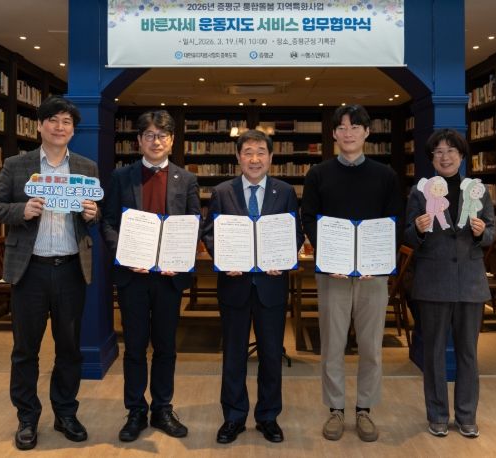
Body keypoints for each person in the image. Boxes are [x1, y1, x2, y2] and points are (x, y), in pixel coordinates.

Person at [0, 95, 100, 451]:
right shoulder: (16, 165)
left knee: (69, 348)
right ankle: (27, 417)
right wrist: (22, 210)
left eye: (67, 122)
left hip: (70, 269)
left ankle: (65, 413)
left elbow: (94, 214)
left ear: (73, 130)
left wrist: (92, 215)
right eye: (53, 120)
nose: (59, 127)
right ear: (40, 125)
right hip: (30, 270)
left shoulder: (85, 167)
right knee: (25, 349)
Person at [301, 104, 402, 442]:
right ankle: (335, 409)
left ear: (367, 132)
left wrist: (378, 261)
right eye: (342, 128)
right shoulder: (318, 174)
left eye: (355, 127)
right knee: (332, 345)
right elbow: (309, 217)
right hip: (333, 274)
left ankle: (364, 410)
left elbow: (394, 220)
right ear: (333, 134)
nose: (348, 133)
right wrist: (330, 257)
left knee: (371, 346)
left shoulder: (385, 175)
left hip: (374, 275)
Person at [101, 110, 200, 442]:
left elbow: (193, 224)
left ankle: (162, 408)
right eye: (149, 135)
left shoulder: (186, 179)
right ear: (138, 140)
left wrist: (181, 259)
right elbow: (108, 222)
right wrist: (126, 255)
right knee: (134, 347)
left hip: (169, 278)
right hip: (133, 277)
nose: (156, 141)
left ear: (171, 140)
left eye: (162, 135)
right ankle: (135, 411)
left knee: (166, 347)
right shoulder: (121, 177)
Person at [201, 129, 304, 444]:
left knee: (271, 355)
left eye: (261, 152)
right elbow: (209, 232)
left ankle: (268, 417)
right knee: (233, 355)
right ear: (238, 157)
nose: (255, 159)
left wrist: (284, 258)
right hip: (234, 285)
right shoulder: (222, 191)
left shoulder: (284, 191)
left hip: (271, 286)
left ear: (271, 157)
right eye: (248, 152)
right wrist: (223, 258)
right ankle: (233, 417)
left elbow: (295, 232)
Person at [403, 128, 495, 438]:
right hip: (433, 283)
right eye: (438, 152)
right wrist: (418, 228)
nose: (445, 157)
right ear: (432, 159)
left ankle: (467, 416)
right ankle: (438, 415)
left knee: (468, 352)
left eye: (451, 151)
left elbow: (492, 233)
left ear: (462, 156)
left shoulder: (478, 191)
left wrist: (482, 233)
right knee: (434, 353)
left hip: (470, 283)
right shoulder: (420, 192)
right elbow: (407, 236)